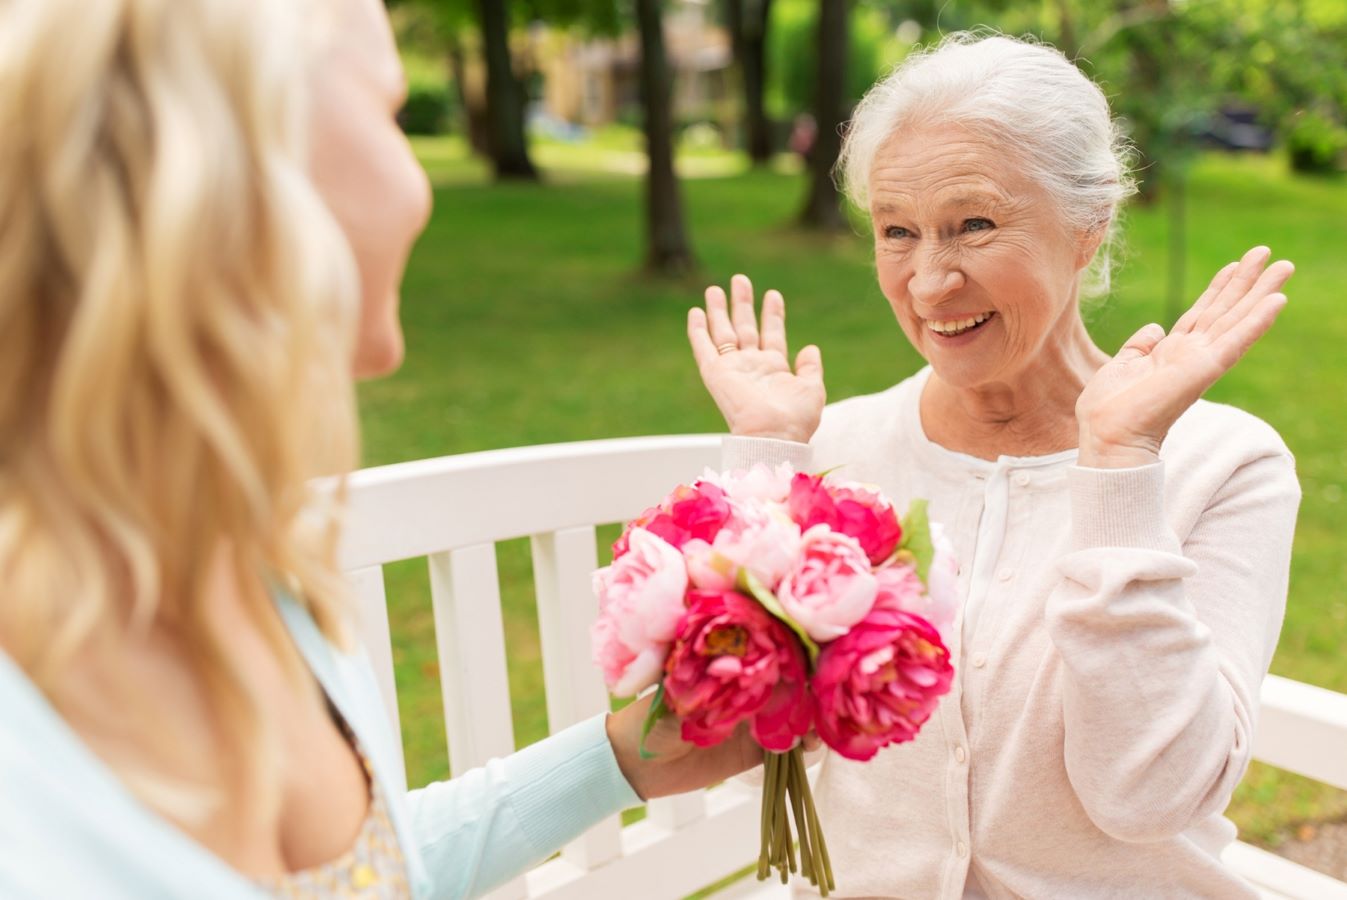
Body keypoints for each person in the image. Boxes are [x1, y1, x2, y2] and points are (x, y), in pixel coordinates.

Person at [0, 1, 758, 898]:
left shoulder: (261, 572)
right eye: (392, 112)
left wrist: (622, 760)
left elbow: (364, 876)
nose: (418, 186)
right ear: (233, 157)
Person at [688, 33, 1299, 899]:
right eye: (896, 232)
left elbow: (1149, 799)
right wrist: (765, 468)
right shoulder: (834, 453)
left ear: (1088, 228)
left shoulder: (1224, 464)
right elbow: (749, 755)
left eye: (973, 224)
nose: (929, 283)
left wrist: (1119, 470)